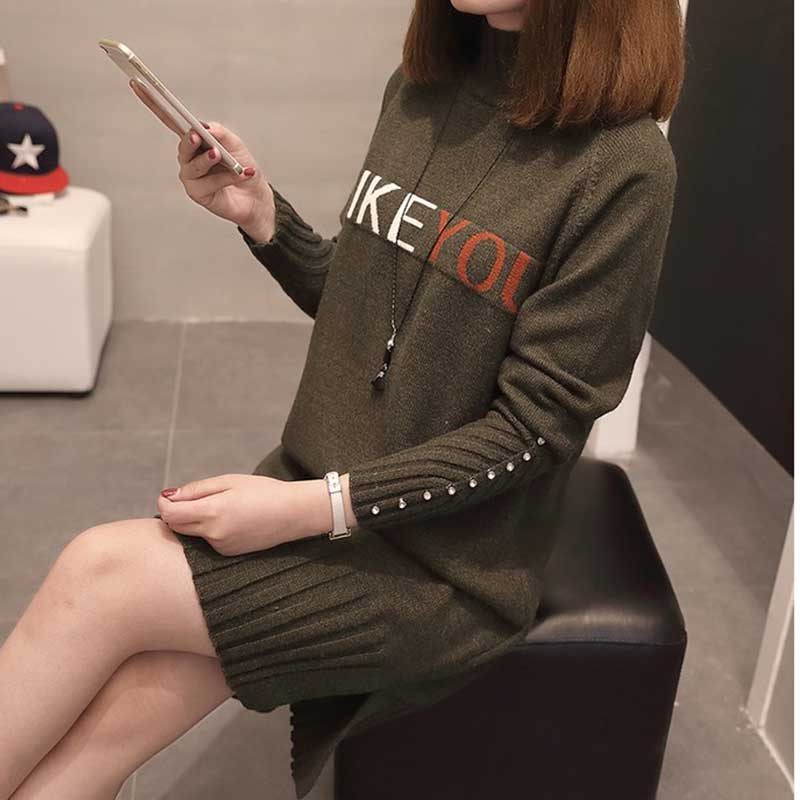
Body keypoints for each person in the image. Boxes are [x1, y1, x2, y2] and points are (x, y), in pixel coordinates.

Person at [0, 1, 685, 798]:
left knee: (99, 575)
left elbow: (536, 431)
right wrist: (265, 219)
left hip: (442, 565)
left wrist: (310, 508)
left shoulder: (623, 169)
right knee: (102, 736)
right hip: (322, 489)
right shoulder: (421, 92)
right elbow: (371, 311)